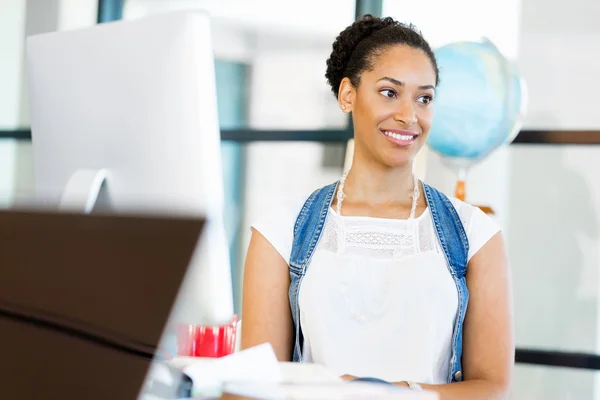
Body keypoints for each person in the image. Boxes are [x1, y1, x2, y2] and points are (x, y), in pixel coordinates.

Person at [241, 14, 513, 399]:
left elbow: (493, 389)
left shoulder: (476, 235)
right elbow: (255, 385)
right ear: (347, 95)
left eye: (424, 98)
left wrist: (390, 393)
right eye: (390, 92)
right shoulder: (279, 232)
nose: (409, 115)